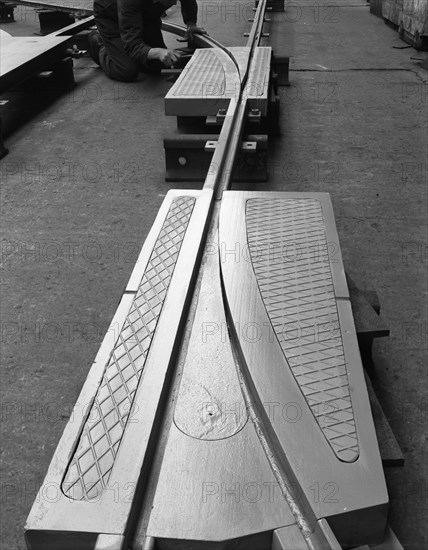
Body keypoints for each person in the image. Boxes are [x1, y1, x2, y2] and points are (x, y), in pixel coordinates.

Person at [88, 0, 207, 82]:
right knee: (127, 70)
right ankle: (98, 44)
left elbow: (188, 1)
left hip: (144, 13)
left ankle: (123, 50)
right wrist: (157, 52)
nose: (175, 3)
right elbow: (132, 45)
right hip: (110, 16)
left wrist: (191, 23)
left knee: (159, 65)